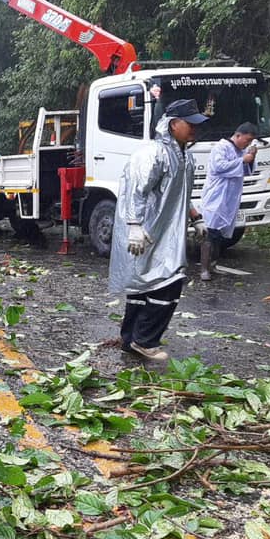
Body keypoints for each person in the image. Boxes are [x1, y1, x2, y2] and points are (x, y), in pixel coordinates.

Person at [109, 99, 209, 361]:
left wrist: (195, 215)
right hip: (145, 232)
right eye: (190, 124)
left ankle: (130, 338)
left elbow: (180, 194)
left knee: (146, 286)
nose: (194, 130)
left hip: (167, 232)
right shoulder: (152, 154)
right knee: (168, 285)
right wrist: (134, 226)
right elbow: (135, 191)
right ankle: (145, 341)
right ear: (173, 124)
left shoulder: (185, 156)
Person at [199, 122, 258, 280]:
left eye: (251, 141)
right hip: (216, 197)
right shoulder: (221, 147)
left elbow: (246, 171)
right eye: (247, 140)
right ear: (238, 135)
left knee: (220, 235)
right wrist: (243, 160)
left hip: (230, 199)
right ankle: (204, 268)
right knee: (210, 232)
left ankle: (214, 264)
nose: (248, 144)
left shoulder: (240, 150)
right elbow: (219, 167)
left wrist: (251, 158)